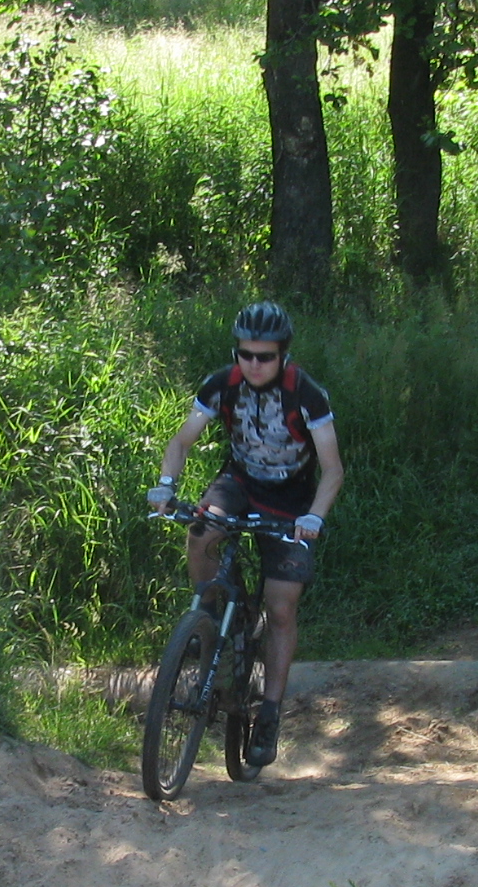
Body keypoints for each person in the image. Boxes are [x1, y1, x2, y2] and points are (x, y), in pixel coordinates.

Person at [145, 301, 344, 769]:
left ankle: (269, 713)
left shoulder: (307, 394)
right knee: (202, 530)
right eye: (245, 354)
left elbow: (333, 470)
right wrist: (167, 485)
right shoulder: (223, 384)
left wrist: (314, 517)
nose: (254, 364)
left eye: (265, 356)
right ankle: (209, 620)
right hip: (239, 483)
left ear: (283, 355)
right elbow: (181, 441)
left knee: (281, 607)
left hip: (292, 499)